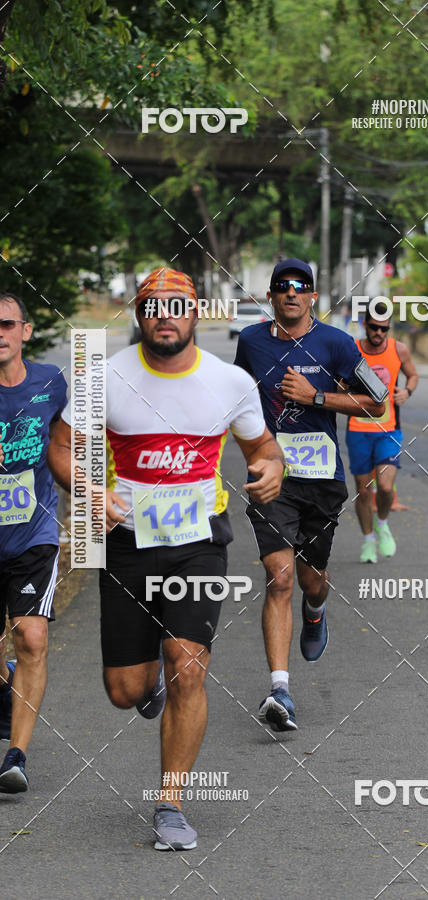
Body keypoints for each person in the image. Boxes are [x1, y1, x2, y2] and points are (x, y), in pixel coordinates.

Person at [48, 267, 284, 851]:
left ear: (196, 313)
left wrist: (271, 469)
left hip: (200, 542)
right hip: (126, 544)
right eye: (153, 307)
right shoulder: (105, 378)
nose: (165, 317)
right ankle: (144, 679)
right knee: (124, 691)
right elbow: (62, 446)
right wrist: (91, 490)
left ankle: (170, 803)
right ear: (138, 314)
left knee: (188, 664)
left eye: (177, 307)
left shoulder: (230, 382)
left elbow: (262, 446)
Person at [234, 258, 386, 733]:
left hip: (321, 480)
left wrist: (316, 397)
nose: (291, 293)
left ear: (313, 296)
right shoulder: (251, 342)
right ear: (272, 295)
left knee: (310, 579)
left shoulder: (336, 344)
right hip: (271, 478)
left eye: (300, 287)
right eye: (282, 286)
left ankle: (316, 610)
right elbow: (238, 399)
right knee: (278, 578)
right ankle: (280, 689)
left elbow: (377, 401)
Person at [0, 291, 68, 793]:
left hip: (34, 534)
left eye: (6, 325)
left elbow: (68, 447)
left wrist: (91, 496)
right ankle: (7, 688)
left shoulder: (51, 382)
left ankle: (15, 757)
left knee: (32, 638)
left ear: (25, 331)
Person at [346, 303, 418, 563]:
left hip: (389, 429)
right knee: (363, 491)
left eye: (383, 328)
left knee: (386, 488)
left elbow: (413, 375)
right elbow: (338, 380)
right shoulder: (352, 350)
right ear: (366, 325)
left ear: (389, 328)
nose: (378, 332)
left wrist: (406, 391)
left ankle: (383, 523)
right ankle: (368, 542)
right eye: (374, 327)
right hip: (357, 429)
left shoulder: (399, 349)